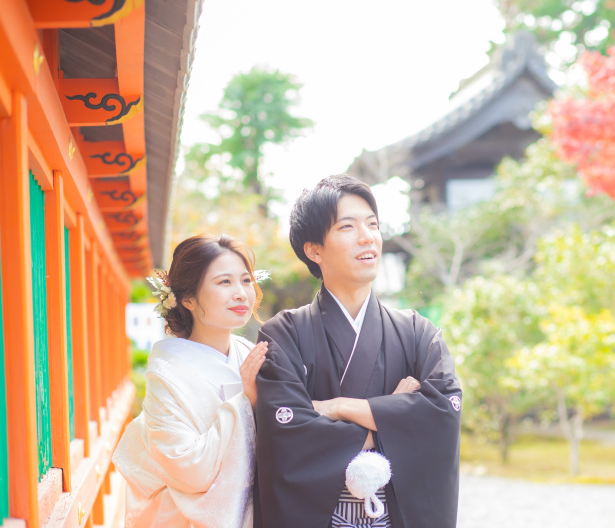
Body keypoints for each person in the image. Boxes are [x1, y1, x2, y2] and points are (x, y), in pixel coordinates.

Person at [254, 175, 462, 528]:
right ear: (314, 249)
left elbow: (442, 413)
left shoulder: (416, 332)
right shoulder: (284, 334)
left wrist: (338, 408)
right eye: (347, 226)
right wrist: (388, 419)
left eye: (373, 224)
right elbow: (288, 434)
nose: (367, 237)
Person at [113, 234, 269, 527]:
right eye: (225, 282)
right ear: (187, 298)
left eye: (246, 280)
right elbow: (190, 469)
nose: (241, 293)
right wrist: (244, 401)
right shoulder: (166, 374)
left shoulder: (252, 355)